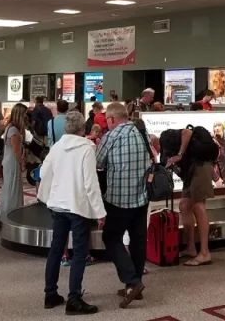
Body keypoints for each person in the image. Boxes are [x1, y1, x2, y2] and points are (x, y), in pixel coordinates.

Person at [38, 105, 106, 315]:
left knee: (56, 248)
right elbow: (90, 182)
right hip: (77, 206)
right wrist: (99, 211)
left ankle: (50, 294)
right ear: (82, 127)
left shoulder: (56, 147)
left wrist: (47, 196)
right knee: (79, 252)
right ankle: (74, 298)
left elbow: (44, 172)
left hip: (58, 203)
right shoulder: (86, 148)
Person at [95, 102, 150, 307]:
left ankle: (132, 281)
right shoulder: (141, 132)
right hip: (141, 197)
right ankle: (134, 285)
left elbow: (98, 163)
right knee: (137, 241)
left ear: (111, 119)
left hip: (118, 199)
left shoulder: (111, 136)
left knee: (111, 237)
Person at [165, 122, 216, 267]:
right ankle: (191, 247)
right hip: (190, 171)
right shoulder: (167, 147)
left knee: (198, 207)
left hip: (200, 168)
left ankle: (205, 253)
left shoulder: (168, 136)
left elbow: (187, 132)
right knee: (184, 205)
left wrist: (179, 155)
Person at [1, 104, 28, 215]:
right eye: (25, 114)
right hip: (12, 161)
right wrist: (22, 162)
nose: (27, 116)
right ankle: (11, 211)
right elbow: (16, 149)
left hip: (10, 159)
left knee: (11, 186)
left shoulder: (11, 127)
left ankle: (12, 210)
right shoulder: (13, 130)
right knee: (12, 187)